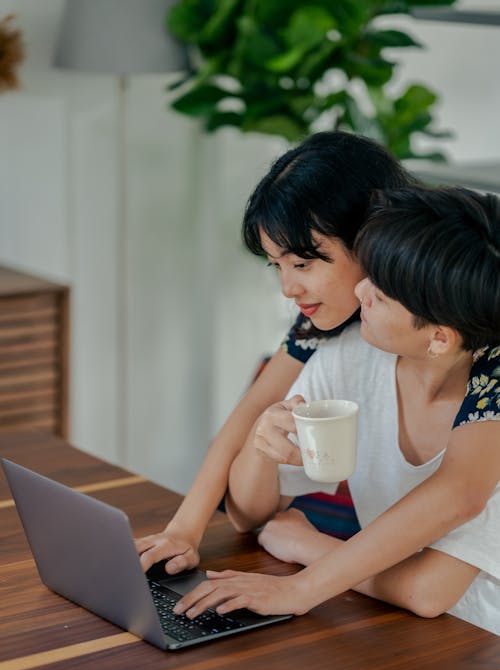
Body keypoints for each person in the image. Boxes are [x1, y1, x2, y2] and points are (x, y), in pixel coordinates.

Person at [135, 132, 497, 576]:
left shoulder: (474, 332)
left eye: (302, 264)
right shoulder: (337, 333)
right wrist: (184, 530)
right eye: (277, 266)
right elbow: (252, 410)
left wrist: (307, 564)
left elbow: (461, 491)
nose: (288, 288)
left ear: (368, 239)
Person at [173, 187, 500, 635]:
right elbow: (256, 513)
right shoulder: (350, 354)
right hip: (393, 631)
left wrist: (308, 553)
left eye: (381, 293)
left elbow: (428, 592)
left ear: (439, 337)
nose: (360, 288)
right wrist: (260, 446)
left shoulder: (488, 420)